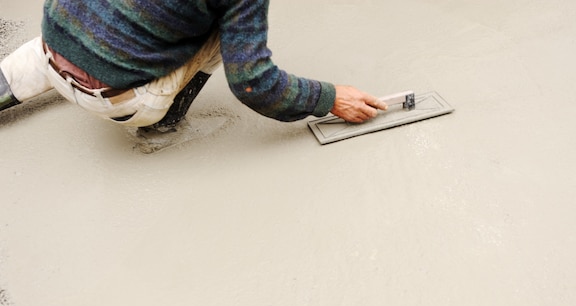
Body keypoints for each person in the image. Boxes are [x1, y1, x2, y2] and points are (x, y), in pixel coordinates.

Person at [0, 0, 388, 150]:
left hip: (52, 45)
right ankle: (162, 124)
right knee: (221, 33)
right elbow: (254, 83)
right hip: (121, 101)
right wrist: (330, 98)